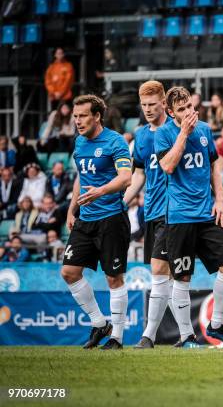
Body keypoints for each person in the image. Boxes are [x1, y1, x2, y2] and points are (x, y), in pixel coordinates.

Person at [154, 86, 223, 348]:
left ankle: (216, 326)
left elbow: (213, 164)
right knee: (182, 276)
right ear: (170, 113)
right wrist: (183, 133)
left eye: (190, 106)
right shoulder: (163, 133)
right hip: (179, 215)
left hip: (206, 213)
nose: (189, 112)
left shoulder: (204, 129)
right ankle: (187, 336)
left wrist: (220, 198)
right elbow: (168, 166)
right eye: (182, 110)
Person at [60, 94, 132, 350]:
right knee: (69, 272)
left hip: (111, 218)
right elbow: (82, 177)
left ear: (97, 116)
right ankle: (99, 323)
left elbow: (126, 178)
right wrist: (72, 210)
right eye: (75, 117)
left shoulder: (115, 142)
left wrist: (100, 191)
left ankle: (117, 338)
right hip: (86, 218)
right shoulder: (79, 143)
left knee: (114, 278)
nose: (78, 121)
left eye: (82, 116)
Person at [122, 81, 176, 349]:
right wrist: (122, 202)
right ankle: (188, 335)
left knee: (159, 270)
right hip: (151, 211)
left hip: (175, 209)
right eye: (144, 106)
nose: (148, 110)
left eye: (153, 105)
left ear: (164, 103)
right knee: (171, 275)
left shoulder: (176, 130)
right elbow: (139, 175)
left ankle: (149, 335)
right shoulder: (141, 136)